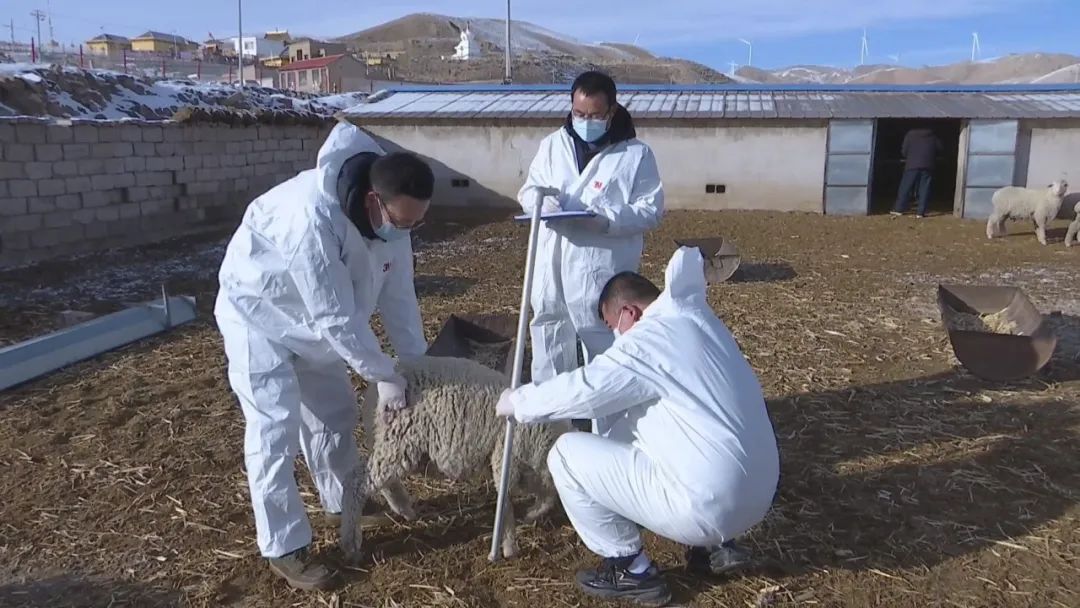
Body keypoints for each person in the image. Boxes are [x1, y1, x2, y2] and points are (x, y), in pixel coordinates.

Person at [214, 120, 433, 590]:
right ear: (375, 201)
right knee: (274, 427)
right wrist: (384, 375)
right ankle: (285, 545)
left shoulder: (395, 220)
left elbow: (400, 300)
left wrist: (418, 367)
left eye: (418, 221)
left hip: (319, 329)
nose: (409, 230)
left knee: (334, 414)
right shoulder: (311, 216)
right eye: (404, 221)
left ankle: (342, 503)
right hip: (259, 315)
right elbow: (335, 317)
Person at [495, 247, 780, 606]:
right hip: (759, 496)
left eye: (613, 327)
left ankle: (631, 568)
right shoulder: (698, 321)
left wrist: (518, 402)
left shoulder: (648, 341)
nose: (615, 337)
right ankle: (712, 548)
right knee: (641, 425)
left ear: (629, 313)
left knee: (566, 455)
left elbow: (586, 389)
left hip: (710, 502)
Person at [518, 70, 664, 435]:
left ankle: (612, 443)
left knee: (607, 360)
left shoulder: (635, 155)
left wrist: (606, 221)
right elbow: (529, 189)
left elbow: (651, 210)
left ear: (612, 111)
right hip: (550, 272)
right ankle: (552, 441)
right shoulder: (553, 144)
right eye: (579, 114)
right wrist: (542, 200)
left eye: (595, 115)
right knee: (550, 352)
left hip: (601, 276)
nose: (585, 122)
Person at [892, 126, 943, 218]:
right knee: (924, 188)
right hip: (928, 165)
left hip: (912, 164)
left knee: (906, 187)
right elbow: (940, 149)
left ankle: (899, 209)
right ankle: (920, 212)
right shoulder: (933, 136)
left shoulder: (910, 135)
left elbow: (904, 151)